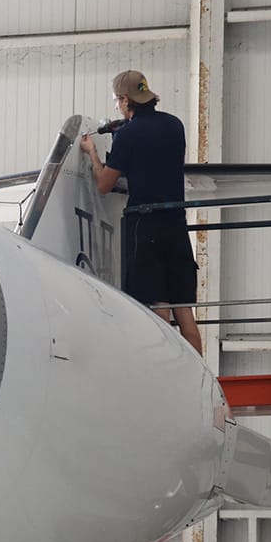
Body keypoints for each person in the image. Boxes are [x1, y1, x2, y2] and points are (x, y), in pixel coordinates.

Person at [80, 70, 203, 355]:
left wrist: (93, 154)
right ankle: (202, 376)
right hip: (176, 223)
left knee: (158, 307)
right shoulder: (175, 125)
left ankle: (166, 379)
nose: (116, 106)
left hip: (145, 227)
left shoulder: (129, 135)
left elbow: (104, 184)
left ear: (125, 100)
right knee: (183, 310)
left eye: (116, 100)